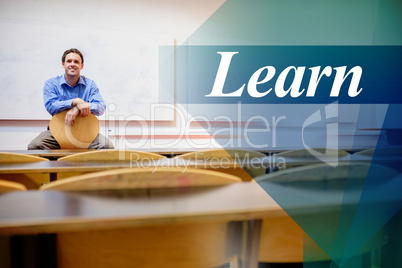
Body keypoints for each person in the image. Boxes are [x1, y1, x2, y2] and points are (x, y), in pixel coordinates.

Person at [28, 48, 114, 149]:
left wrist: (77, 108)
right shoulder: (51, 84)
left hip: (87, 132)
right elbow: (51, 106)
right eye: (69, 61)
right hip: (57, 131)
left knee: (107, 146)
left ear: (82, 66)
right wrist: (75, 101)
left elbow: (100, 108)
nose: (72, 64)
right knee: (35, 146)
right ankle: (58, 164)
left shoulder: (90, 84)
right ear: (63, 64)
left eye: (76, 62)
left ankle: (84, 164)